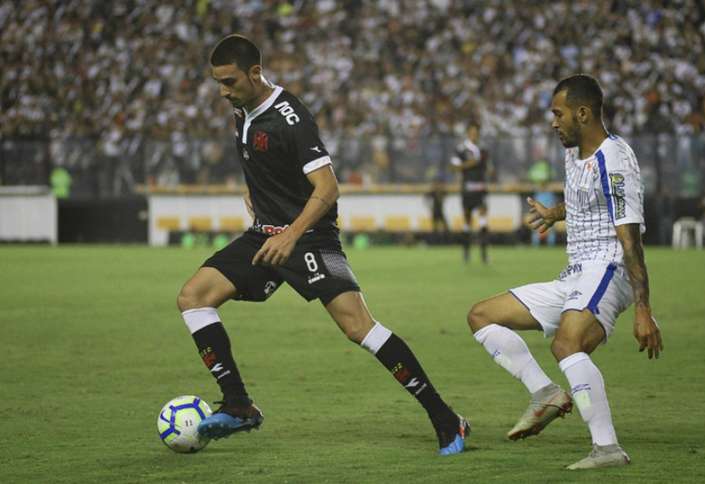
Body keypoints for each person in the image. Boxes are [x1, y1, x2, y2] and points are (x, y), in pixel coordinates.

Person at [176, 35, 469, 455]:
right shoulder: (241, 109)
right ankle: (239, 405)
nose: (222, 91)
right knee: (193, 297)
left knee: (358, 327)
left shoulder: (289, 116)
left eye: (229, 81)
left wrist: (292, 234)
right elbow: (260, 163)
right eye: (218, 82)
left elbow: (328, 188)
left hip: (310, 235)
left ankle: (447, 421)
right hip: (266, 233)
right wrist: (256, 196)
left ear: (255, 73)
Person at [466, 75, 663, 470]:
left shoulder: (615, 159)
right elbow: (587, 202)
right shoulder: (574, 153)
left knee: (566, 345)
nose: (553, 122)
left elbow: (630, 239)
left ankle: (606, 447)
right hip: (575, 274)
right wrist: (554, 214)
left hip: (609, 267)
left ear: (583, 113)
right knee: (482, 316)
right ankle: (545, 393)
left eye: (559, 114)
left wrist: (644, 309)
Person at [450, 122, 489, 263]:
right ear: (468, 133)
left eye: (476, 132)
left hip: (481, 187)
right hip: (467, 188)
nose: (474, 135)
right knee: (467, 221)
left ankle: (484, 254)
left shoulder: (483, 149)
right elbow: (453, 167)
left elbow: (487, 167)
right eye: (472, 132)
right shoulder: (461, 149)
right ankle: (466, 253)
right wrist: (469, 164)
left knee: (483, 219)